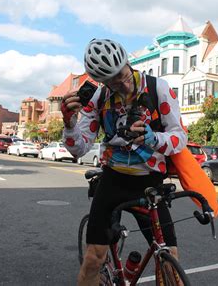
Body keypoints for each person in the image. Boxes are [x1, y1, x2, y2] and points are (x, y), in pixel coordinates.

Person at [62, 39, 187, 285]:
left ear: (127, 62)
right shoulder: (98, 98)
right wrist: (69, 123)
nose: (124, 83)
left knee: (170, 257)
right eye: (114, 81)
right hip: (113, 181)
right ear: (102, 81)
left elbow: (179, 137)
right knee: (93, 260)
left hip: (150, 183)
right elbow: (79, 149)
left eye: (123, 74)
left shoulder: (158, 88)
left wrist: (153, 138)